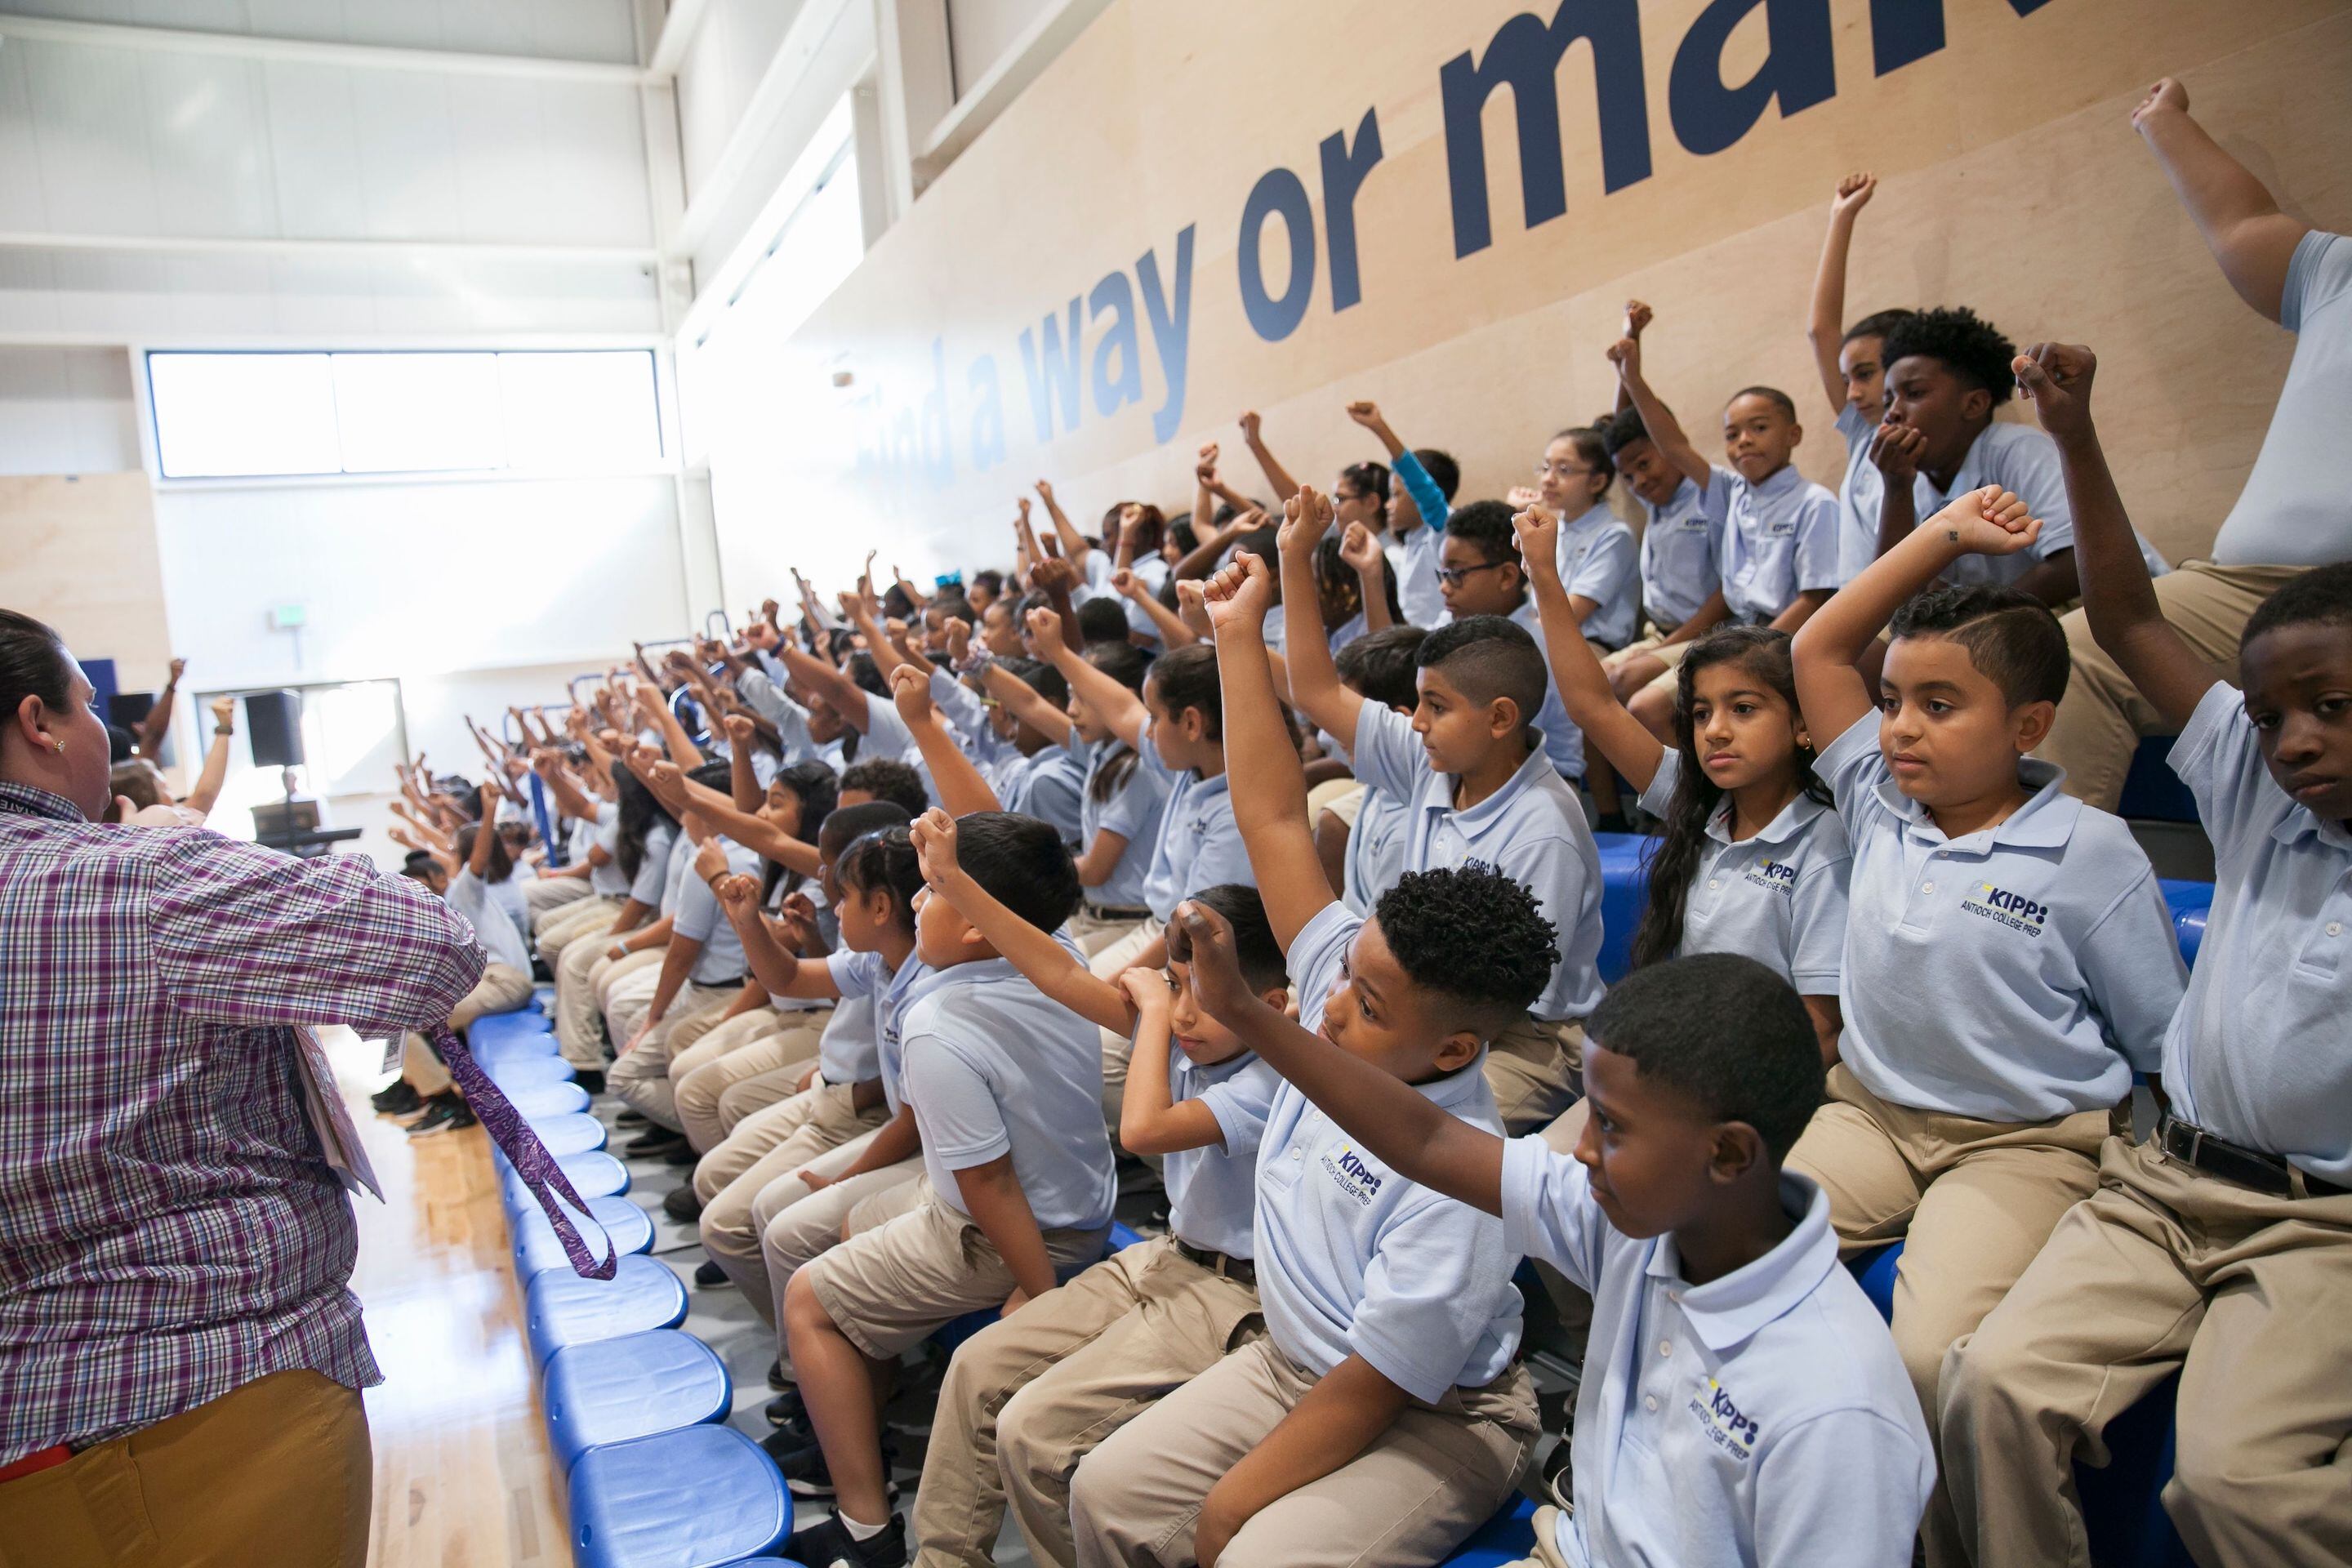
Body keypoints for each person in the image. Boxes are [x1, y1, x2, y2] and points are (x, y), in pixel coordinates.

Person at [1939, 341, 2352, 1566]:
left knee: (2233, 1494)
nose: (2293, 741)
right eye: (2273, 714)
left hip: (2317, 1226)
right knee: (1988, 1389)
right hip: (2165, 1186)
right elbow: (2122, 615)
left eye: (2334, 706)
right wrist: (2072, 432)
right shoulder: (2254, 793)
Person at [1062, 553, 1552, 1568]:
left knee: (1247, 1552)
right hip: (1293, 1361)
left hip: (1435, 1413)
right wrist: (1242, 635)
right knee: (1105, 1493)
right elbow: (1275, 815)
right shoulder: (1353, 973)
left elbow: (1375, 1385)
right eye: (1342, 976)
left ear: (1454, 1050)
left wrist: (1228, 1506)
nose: (1329, 1005)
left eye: (1365, 1006)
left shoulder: (1463, 1171)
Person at [0, 609, 485, 1564]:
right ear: (40, 725)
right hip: (197, 1401)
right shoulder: (136, 882)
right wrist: (197, 851)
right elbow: (435, 947)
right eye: (93, 709)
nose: (106, 732)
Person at [1786, 484, 2188, 1560]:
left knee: (1931, 1360)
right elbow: (1821, 647)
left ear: (2029, 727)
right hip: (1869, 1115)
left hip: (2017, 1145)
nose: (1902, 728)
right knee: (1709, 1255)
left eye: (1940, 705)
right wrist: (1945, 538)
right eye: (1893, 700)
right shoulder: (1879, 797)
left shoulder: (2089, 852)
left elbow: (2161, 1043)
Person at [901, 860, 1287, 1568]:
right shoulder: (1197, 1036)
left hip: (1233, 1294)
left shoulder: (1271, 1076)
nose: (1185, 1013)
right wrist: (955, 881)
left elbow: (1142, 1131)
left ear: (1273, 1003)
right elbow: (1058, 974)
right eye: (1175, 987)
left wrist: (1152, 1014)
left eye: (1206, 994)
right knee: (977, 1365)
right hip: (1165, 1258)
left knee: (1032, 1435)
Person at [778, 813, 1115, 1567]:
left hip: (1011, 1235)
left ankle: (866, 1527)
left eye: (930, 892)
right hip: (1067, 1205)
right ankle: (874, 1420)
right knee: (854, 1223)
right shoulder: (1057, 954)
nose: (915, 903)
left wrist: (1039, 1293)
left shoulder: (937, 1024)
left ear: (973, 927)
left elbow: (990, 1185)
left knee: (806, 1299)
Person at [2037, 77, 2341, 809]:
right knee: (2068, 655)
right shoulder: (2340, 273)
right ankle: (2038, 907)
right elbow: (2242, 222)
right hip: (2247, 590)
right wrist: (2162, 120)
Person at [1280, 489, 1604, 1134]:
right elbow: (1316, 690)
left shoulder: (1544, 832)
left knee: (1397, 1125)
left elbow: (1506, 1001)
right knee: (1308, 1077)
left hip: (1523, 1037)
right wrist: (1295, 558)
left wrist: (1379, 1038)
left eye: (1436, 705)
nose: (1415, 721)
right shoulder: (1436, 760)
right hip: (1417, 1004)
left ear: (1500, 719)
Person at [1517, 504, 1848, 1062]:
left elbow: (1819, 1029)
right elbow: (1594, 706)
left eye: (1743, 709)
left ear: (1802, 727)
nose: (1715, 731)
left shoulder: (1825, 843)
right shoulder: (1701, 803)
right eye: (1700, 714)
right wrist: (1545, 575)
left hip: (1757, 1074)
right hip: (1690, 1052)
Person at [1609, 315, 1841, 740]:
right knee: (1626, 687)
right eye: (1733, 434)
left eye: (1759, 428)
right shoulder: (1731, 492)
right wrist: (1634, 380)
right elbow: (1673, 446)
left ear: (1794, 434)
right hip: (1735, 632)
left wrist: (1753, 652)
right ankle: (1698, 803)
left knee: (1648, 705)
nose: (1744, 441)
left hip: (1784, 639)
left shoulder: (1815, 503)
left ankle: (1699, 801)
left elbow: (1816, 597)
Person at [1871, 305, 2167, 601]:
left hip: (2128, 602)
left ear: (1974, 405)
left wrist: (1977, 620)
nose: (1893, 413)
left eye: (1914, 394)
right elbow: (1889, 601)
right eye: (1888, 401)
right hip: (2032, 622)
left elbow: (2075, 560)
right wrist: (1896, 489)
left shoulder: (2013, 449)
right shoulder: (1914, 487)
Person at [1803, 172, 1914, 586]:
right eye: (1847, 377)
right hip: (1860, 620)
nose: (1852, 392)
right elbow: (1821, 331)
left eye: (1866, 374)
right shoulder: (1864, 434)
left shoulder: (1933, 449)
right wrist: (1840, 218)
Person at [1343, 399, 1458, 629]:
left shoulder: (1445, 528)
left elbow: (1423, 488)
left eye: (1396, 495)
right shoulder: (1411, 540)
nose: (1388, 505)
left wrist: (1379, 428)